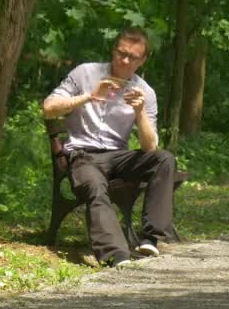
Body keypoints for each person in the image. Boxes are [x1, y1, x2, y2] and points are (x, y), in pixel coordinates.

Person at [43, 27, 175, 268]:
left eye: (132, 57)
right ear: (113, 50)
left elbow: (150, 146)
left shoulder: (145, 92)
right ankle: (116, 254)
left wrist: (140, 112)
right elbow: (48, 108)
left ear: (142, 60)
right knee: (94, 185)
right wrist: (88, 97)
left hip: (118, 156)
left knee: (164, 159)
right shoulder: (85, 73)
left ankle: (150, 237)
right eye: (120, 53)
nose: (124, 61)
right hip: (83, 155)